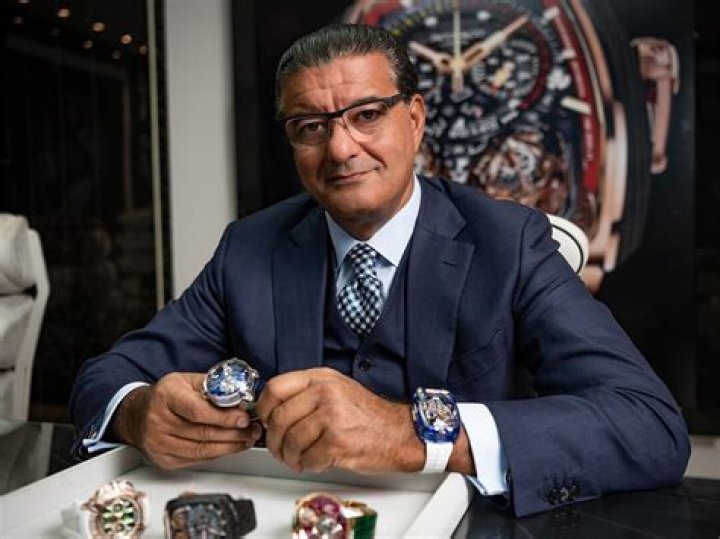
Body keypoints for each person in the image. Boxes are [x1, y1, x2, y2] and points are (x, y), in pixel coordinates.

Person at [70, 23, 689, 517]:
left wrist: (413, 435)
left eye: (367, 114)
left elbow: (649, 425)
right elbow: (107, 377)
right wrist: (139, 412)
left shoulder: (510, 242)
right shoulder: (250, 248)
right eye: (311, 127)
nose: (341, 149)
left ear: (414, 119)